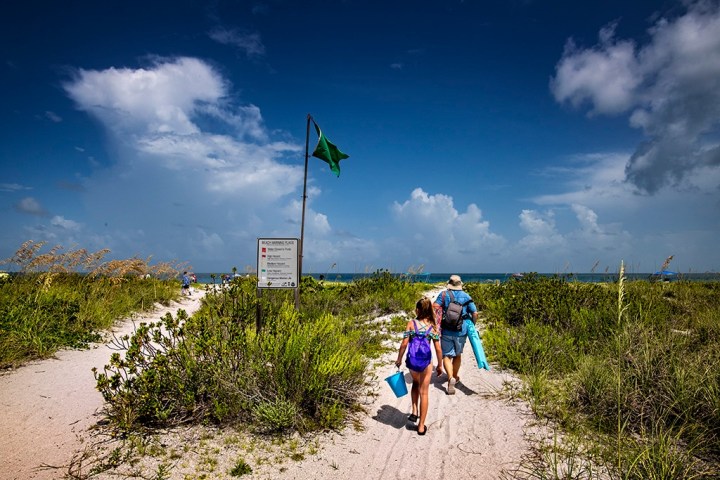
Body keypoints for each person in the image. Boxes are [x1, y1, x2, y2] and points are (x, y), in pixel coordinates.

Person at [395, 297, 443, 435]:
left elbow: (404, 344)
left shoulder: (411, 323)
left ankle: (414, 411)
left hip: (413, 361)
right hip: (426, 363)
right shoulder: (433, 326)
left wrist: (399, 359)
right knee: (424, 392)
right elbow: (438, 349)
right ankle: (421, 426)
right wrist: (440, 365)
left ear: (417, 309)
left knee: (415, 383)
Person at [434, 275, 478, 395]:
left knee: (446, 356)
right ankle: (454, 376)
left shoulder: (443, 294)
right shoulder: (466, 296)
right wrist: (472, 325)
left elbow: (435, 307)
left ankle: (449, 378)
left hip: (446, 329)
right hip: (461, 331)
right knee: (457, 355)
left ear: (449, 284)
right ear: (460, 284)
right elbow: (475, 312)